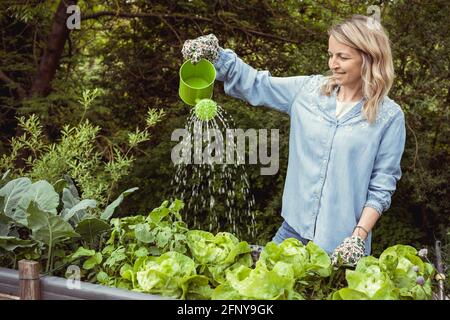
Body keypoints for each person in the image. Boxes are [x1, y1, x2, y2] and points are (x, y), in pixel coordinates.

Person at [181, 15, 406, 266]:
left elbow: (381, 187)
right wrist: (217, 56)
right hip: (292, 233)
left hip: (343, 247)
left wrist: (358, 237)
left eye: (343, 57)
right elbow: (258, 84)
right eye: (331, 54)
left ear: (369, 57)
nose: (333, 64)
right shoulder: (308, 92)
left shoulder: (389, 117)